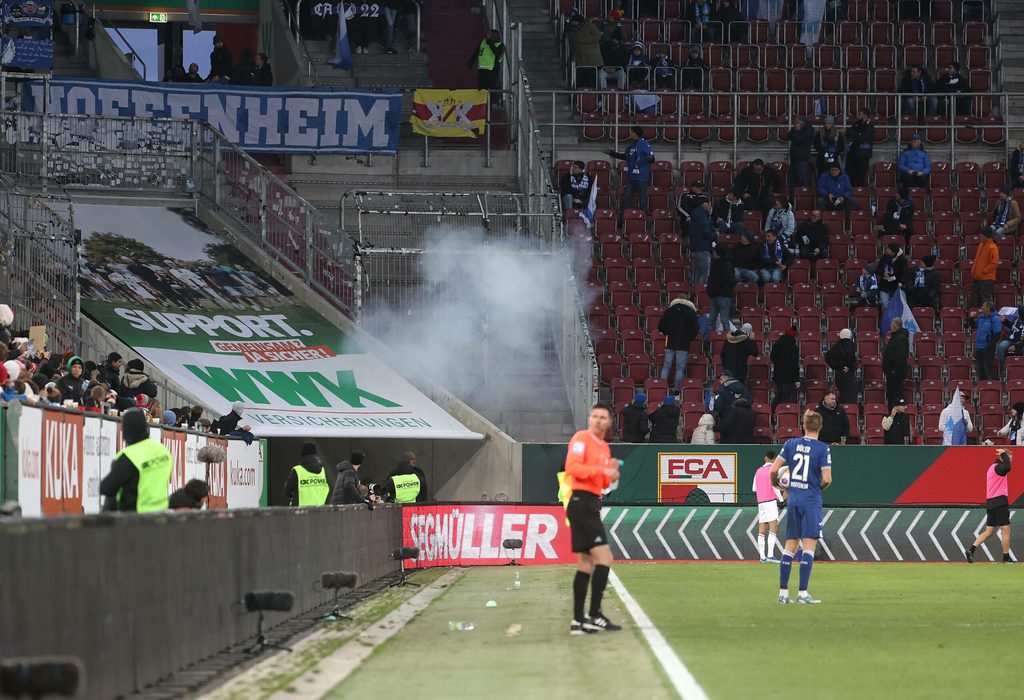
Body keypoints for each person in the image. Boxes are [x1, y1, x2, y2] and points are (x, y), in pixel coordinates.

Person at [563, 403, 622, 634]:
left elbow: (604, 484)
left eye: (602, 417)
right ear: (590, 419)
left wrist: (612, 475)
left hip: (591, 502)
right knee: (604, 558)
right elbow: (573, 468)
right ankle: (594, 614)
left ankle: (578, 621)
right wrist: (603, 472)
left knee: (586, 563)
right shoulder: (581, 439)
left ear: (608, 423)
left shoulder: (604, 448)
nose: (598, 420)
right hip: (581, 502)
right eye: (594, 416)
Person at [770, 410, 833, 604]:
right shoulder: (823, 449)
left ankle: (783, 593)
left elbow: (773, 470)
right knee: (809, 546)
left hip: (794, 499)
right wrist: (816, 488)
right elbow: (827, 479)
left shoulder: (790, 444)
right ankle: (803, 593)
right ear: (820, 427)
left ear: (803, 426)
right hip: (811, 500)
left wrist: (780, 486)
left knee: (790, 545)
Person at [99, 408, 174, 513]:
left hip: (136, 517)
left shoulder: (128, 456)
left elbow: (106, 488)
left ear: (126, 431)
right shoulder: (163, 451)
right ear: (146, 428)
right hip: (161, 513)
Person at [964, 449, 1014, 564]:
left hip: (991, 503)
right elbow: (1008, 467)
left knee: (989, 531)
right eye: (1009, 458)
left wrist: (1004, 455)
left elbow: (1007, 467)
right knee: (1006, 530)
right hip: (999, 502)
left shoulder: (993, 468)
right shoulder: (998, 467)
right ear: (1002, 457)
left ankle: (971, 550)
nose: (1010, 460)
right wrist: (1003, 453)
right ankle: (1006, 558)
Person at [606, 126, 654, 219]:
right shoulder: (630, 146)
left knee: (642, 199)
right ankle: (624, 218)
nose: (630, 134)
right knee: (626, 197)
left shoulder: (644, 144)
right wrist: (612, 153)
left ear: (636, 133)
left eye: (632, 132)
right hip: (631, 177)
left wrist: (650, 158)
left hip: (641, 177)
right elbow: (625, 157)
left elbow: (651, 158)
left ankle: (644, 219)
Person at [658, 297, 699, 387]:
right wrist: (689, 338)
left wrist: (667, 333)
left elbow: (661, 326)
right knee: (680, 369)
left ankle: (661, 389)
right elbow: (695, 329)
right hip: (683, 344)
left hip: (670, 342)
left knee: (666, 366)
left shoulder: (670, 311)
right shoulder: (691, 313)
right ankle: (677, 392)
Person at [752, 451, 783, 563]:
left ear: (765, 458)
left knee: (761, 530)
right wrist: (781, 499)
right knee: (773, 528)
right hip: (770, 501)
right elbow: (775, 486)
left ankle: (762, 557)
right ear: (774, 458)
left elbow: (754, 488)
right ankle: (770, 556)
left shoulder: (758, 471)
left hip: (761, 502)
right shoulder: (774, 470)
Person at [284, 442, 329, 507]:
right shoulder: (323, 471)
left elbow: (287, 492)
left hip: (300, 512)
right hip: (319, 511)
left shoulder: (297, 470)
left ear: (302, 454)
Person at [706, 243, 735, 333]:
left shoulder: (727, 265)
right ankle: (710, 341)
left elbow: (730, 281)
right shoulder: (715, 263)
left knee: (724, 320)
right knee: (711, 320)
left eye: (714, 251)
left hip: (723, 297)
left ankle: (728, 340)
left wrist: (721, 292)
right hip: (714, 296)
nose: (713, 253)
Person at [825, 329, 859, 404]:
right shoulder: (851, 345)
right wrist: (849, 367)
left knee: (842, 394)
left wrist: (835, 366)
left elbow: (827, 357)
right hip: (848, 374)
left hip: (838, 373)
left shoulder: (835, 346)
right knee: (849, 396)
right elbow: (851, 359)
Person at [770, 326, 801, 409]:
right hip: (788, 378)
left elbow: (772, 357)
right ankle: (782, 416)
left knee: (778, 396)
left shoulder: (777, 344)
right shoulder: (794, 348)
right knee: (786, 399)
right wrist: (797, 379)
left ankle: (773, 413)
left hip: (778, 376)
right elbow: (794, 365)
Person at [467, 29, 504, 96]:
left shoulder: (499, 45)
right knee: (481, 89)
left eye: (489, 34)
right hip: (482, 68)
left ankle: (490, 103)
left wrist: (490, 42)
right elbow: (477, 51)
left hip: (492, 69)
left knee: (489, 89)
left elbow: (497, 54)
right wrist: (471, 61)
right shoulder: (484, 42)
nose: (486, 35)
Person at [568, 16, 603, 87]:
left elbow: (598, 36)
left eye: (575, 21)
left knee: (591, 83)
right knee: (580, 83)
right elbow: (572, 43)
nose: (573, 23)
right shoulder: (572, 31)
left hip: (592, 60)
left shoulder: (590, 27)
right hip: (580, 60)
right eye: (573, 21)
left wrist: (584, 40)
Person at [883, 317, 910, 405]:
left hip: (896, 374)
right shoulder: (895, 337)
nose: (890, 326)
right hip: (891, 374)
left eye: (891, 324)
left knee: (897, 395)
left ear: (895, 325)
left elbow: (901, 357)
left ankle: (898, 414)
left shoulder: (901, 338)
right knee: (892, 395)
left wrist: (894, 370)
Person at [845, 108, 875, 187]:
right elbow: (848, 132)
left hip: (863, 154)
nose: (857, 116)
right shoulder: (856, 124)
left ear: (865, 115)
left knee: (860, 176)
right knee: (850, 174)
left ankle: (859, 193)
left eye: (859, 114)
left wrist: (856, 135)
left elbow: (863, 137)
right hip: (853, 153)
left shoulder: (870, 126)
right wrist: (858, 134)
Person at [973, 301, 1002, 381]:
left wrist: (988, 347)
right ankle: (982, 388)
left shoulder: (995, 319)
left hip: (987, 348)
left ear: (988, 308)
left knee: (988, 369)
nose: (982, 307)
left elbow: (997, 335)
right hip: (978, 347)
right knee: (980, 370)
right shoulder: (981, 317)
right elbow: (973, 325)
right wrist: (971, 318)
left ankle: (993, 387)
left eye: (983, 306)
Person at [970, 229, 999, 308]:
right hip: (978, 277)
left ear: (986, 236)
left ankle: (988, 319)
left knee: (986, 302)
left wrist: (984, 271)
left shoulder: (993, 247)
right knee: (974, 300)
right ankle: (975, 319)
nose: (979, 236)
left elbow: (994, 263)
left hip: (987, 279)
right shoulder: (981, 245)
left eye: (981, 235)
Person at [689, 201, 716, 284]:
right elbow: (707, 233)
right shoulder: (703, 218)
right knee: (705, 274)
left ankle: (696, 293)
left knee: (698, 273)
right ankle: (701, 294)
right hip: (703, 249)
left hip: (695, 248)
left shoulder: (695, 216)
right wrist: (715, 235)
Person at [877, 243, 908, 310]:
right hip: (885, 285)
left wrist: (901, 282)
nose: (886, 250)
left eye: (888, 249)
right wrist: (883, 273)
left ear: (893, 251)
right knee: (885, 305)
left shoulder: (902, 260)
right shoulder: (884, 257)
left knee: (903, 304)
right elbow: (878, 269)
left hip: (897, 285)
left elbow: (905, 273)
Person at [788, 116, 815, 189]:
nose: (796, 124)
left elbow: (798, 140)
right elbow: (789, 137)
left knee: (801, 177)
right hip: (794, 156)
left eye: (797, 123)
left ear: (802, 122)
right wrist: (794, 129)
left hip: (802, 157)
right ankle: (793, 196)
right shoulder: (795, 128)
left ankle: (804, 193)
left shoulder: (808, 130)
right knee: (792, 178)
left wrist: (796, 131)